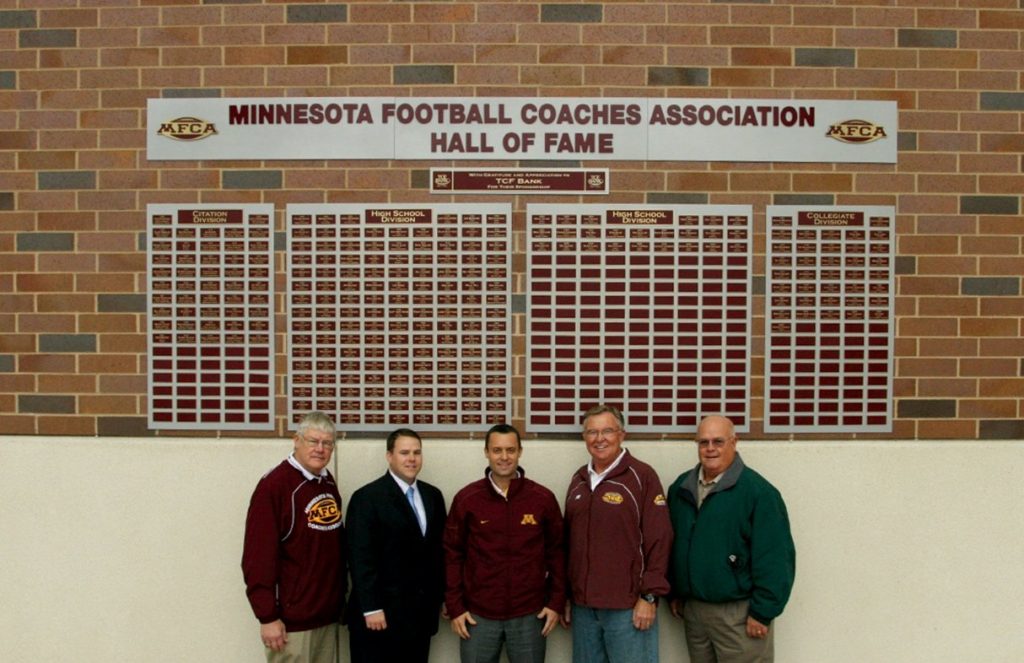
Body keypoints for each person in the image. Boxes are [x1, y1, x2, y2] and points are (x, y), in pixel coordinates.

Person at [667, 415, 796, 663]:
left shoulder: (758, 493)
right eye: (703, 442)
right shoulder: (681, 489)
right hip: (694, 612)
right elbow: (674, 543)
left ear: (734, 442)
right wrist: (675, 591)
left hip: (739, 613)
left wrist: (763, 611)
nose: (710, 448)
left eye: (718, 441)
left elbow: (776, 557)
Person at [444, 423, 566, 663]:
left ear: (520, 451)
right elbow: (452, 554)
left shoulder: (542, 498)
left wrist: (556, 603)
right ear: (486, 452)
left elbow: (558, 552)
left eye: (510, 450)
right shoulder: (467, 499)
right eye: (497, 450)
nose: (504, 457)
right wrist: (455, 606)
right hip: (477, 616)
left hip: (530, 615)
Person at [562, 404, 673, 663]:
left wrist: (649, 596)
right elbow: (568, 543)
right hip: (584, 609)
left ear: (622, 434)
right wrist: (567, 595)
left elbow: (660, 538)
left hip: (629, 608)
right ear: (584, 438)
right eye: (592, 432)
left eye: (607, 431)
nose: (599, 439)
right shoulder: (578, 480)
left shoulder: (642, 476)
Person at [241, 411, 347, 663]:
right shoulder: (274, 487)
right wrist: (267, 617)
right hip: (292, 624)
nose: (320, 449)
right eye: (313, 441)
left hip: (325, 616)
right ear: (296, 440)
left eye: (327, 443)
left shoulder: (326, 482)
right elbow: (258, 558)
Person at [345, 428, 447, 663]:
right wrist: (371, 608)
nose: (411, 458)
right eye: (404, 452)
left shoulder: (433, 496)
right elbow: (360, 557)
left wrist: (442, 597)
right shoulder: (367, 498)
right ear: (389, 456)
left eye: (416, 452)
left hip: (419, 618)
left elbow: (437, 554)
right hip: (379, 619)